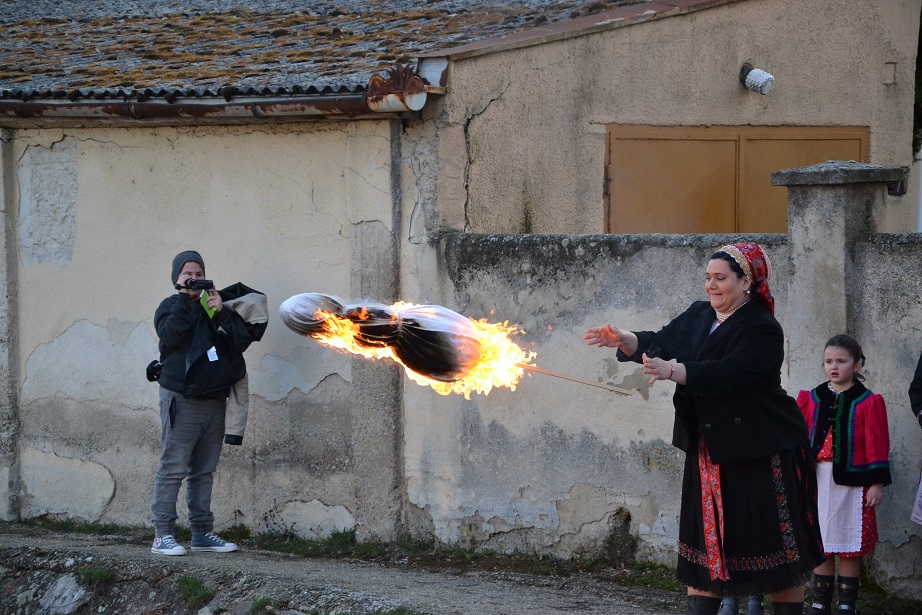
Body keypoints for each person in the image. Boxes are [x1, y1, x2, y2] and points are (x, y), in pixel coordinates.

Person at [585, 242, 825, 615]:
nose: (711, 285)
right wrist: (628, 340)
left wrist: (673, 370)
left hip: (763, 448)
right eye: (708, 277)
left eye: (720, 278)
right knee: (706, 546)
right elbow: (661, 341)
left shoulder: (763, 327)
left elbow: (728, 373)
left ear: (746, 282)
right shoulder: (700, 314)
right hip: (710, 447)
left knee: (773, 549)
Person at [150, 250, 261, 556]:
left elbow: (239, 342)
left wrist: (222, 312)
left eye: (199, 274)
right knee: (173, 468)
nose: (194, 279)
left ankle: (202, 534)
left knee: (204, 470)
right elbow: (170, 336)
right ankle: (162, 534)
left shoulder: (214, 306)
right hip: (181, 398)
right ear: (176, 278)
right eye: (188, 274)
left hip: (214, 399)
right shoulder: (170, 306)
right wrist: (185, 299)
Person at [797, 335, 890, 614]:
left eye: (841, 361)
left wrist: (876, 483)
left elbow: (877, 444)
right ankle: (820, 601)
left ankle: (847, 604)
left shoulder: (868, 401)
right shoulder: (813, 398)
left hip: (854, 486)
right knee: (821, 540)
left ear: (856, 364)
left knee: (850, 545)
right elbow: (800, 438)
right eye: (828, 361)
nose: (834, 366)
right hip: (818, 480)